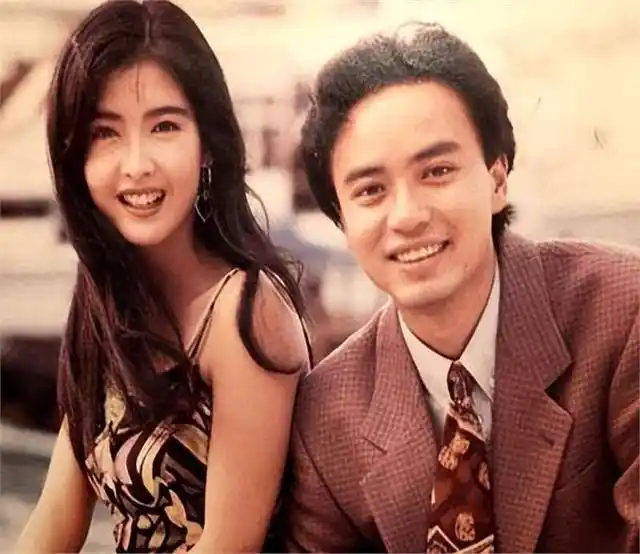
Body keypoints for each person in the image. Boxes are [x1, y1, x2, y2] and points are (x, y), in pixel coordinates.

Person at [279, 23, 639, 553]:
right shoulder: (326, 417)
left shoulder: (623, 311)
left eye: (437, 171)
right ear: (341, 220)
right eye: (371, 190)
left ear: (497, 179)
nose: (407, 216)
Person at [15, 1, 310, 552]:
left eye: (164, 126)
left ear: (208, 145)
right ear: (75, 159)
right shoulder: (104, 303)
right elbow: (54, 520)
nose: (137, 164)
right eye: (106, 133)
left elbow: (229, 546)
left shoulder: (246, 311)